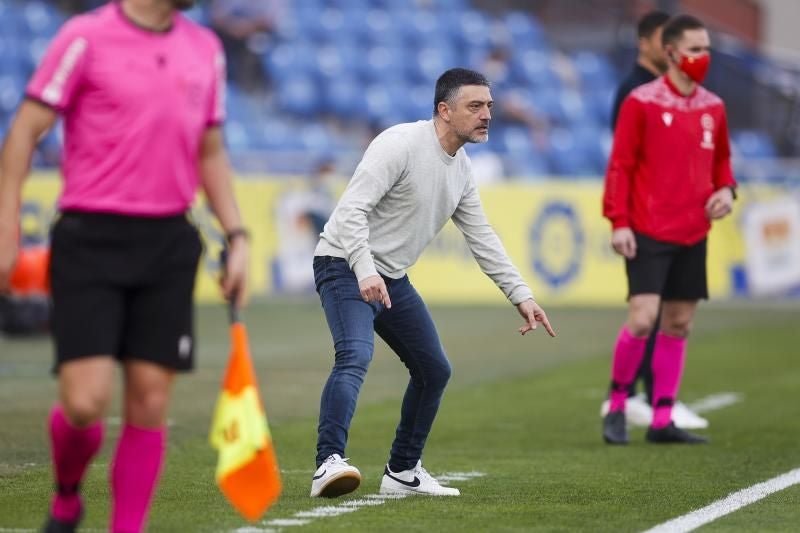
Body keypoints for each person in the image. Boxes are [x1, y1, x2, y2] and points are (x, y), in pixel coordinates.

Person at [0, 1, 249, 531]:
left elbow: (210, 150)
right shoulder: (84, 37)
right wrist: (6, 225)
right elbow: (24, 130)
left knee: (149, 401)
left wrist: (238, 234)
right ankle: (67, 496)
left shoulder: (204, 47)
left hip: (169, 243)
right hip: (90, 238)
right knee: (85, 403)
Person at [309, 68, 556, 499]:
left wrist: (522, 295)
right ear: (444, 110)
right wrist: (365, 269)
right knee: (355, 355)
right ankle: (328, 463)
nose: (487, 116)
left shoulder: (461, 170)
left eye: (490, 107)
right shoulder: (400, 143)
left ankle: (402, 471)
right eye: (475, 106)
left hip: (390, 277)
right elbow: (349, 212)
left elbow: (483, 238)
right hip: (344, 262)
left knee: (434, 370)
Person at [601, 14, 736, 445]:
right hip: (647, 230)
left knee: (678, 324)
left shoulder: (714, 107)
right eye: (695, 49)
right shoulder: (641, 101)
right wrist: (618, 221)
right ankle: (618, 404)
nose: (703, 57)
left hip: (694, 232)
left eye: (707, 49)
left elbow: (723, 166)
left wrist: (728, 192)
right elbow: (620, 165)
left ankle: (662, 419)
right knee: (642, 320)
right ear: (672, 52)